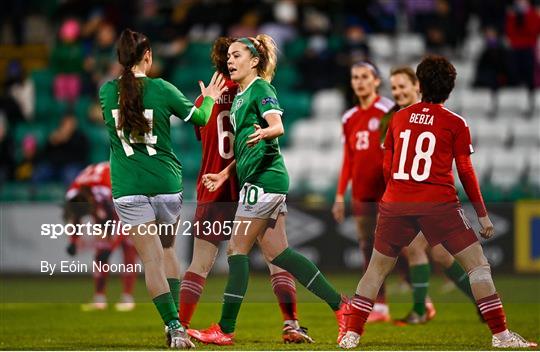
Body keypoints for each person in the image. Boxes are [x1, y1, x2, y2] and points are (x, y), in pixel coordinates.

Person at [339, 55, 537, 349]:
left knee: (376, 270)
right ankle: (501, 335)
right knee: (478, 266)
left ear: (419, 85)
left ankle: (352, 335)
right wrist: (482, 215)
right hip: (438, 204)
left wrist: (396, 194)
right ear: (450, 87)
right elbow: (466, 172)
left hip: (396, 202)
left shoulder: (398, 117)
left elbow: (387, 166)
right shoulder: (455, 122)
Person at [188, 35, 348, 346]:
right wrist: (223, 173)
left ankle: (225, 328)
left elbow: (277, 125)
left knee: (236, 249)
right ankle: (342, 306)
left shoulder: (261, 88)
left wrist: (267, 131)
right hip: (258, 178)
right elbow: (243, 147)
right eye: (229, 56)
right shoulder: (239, 96)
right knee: (280, 254)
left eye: (237, 56)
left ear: (255, 61)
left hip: (264, 178)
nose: (230, 61)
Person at [99, 28, 226, 349]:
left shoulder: (105, 92)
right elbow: (199, 118)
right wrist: (209, 97)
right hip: (166, 185)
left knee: (151, 261)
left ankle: (174, 328)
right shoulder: (162, 88)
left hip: (128, 187)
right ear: (148, 57)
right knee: (168, 251)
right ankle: (181, 322)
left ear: (119, 59)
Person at [383, 66, 479, 325]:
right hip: (408, 197)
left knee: (415, 248)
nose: (397, 92)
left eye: (403, 86)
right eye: (393, 88)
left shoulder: (433, 117)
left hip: (431, 198)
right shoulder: (396, 117)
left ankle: (421, 309)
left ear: (418, 86)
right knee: (441, 256)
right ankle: (481, 301)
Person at [332, 60, 394, 322]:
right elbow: (349, 157)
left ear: (376, 81)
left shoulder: (388, 110)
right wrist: (339, 194)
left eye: (364, 77)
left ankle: (419, 298)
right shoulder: (349, 117)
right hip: (361, 193)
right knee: (367, 245)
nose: (359, 81)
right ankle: (379, 304)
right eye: (355, 77)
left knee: (394, 246)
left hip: (387, 190)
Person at [64, 162, 137, 312]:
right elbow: (77, 214)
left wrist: (111, 247)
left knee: (128, 247)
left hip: (128, 198)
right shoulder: (76, 193)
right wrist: (73, 240)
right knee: (100, 253)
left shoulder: (105, 189)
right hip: (105, 199)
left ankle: (127, 297)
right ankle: (99, 298)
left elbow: (125, 220)